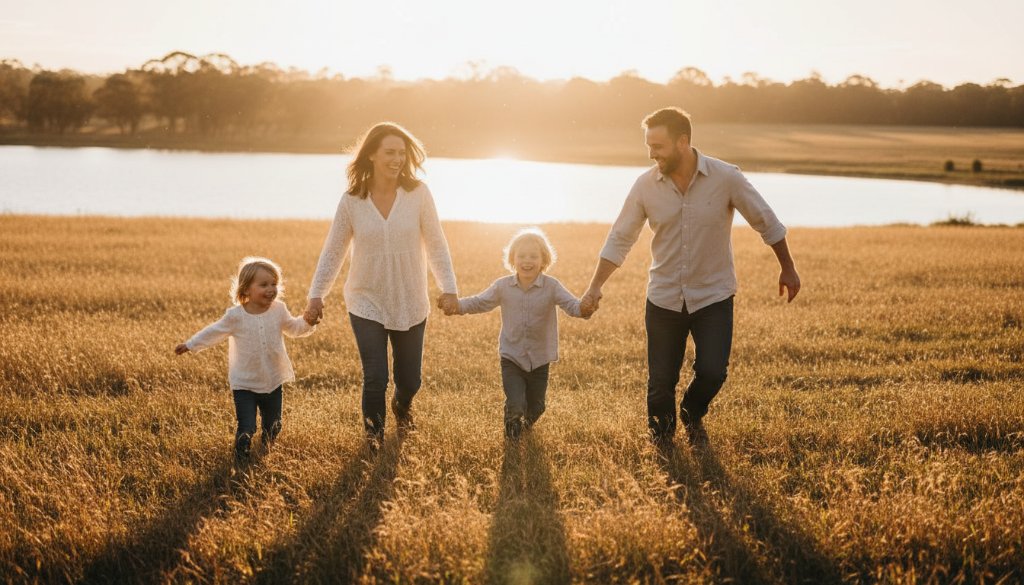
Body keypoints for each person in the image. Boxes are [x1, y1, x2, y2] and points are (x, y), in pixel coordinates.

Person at [580, 107, 801, 445]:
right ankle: (663, 445)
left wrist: (787, 266)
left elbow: (765, 220)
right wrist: (595, 285)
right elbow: (620, 238)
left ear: (682, 142)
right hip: (664, 298)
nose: (652, 154)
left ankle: (692, 413)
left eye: (658, 146)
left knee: (713, 372)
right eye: (648, 146)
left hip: (713, 296)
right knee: (659, 386)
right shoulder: (644, 186)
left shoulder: (726, 177)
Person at [303, 122, 458, 448]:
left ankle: (403, 407)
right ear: (372, 154)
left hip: (410, 299)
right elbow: (334, 250)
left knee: (409, 380)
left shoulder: (418, 195)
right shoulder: (352, 201)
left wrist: (449, 287)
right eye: (390, 152)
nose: (397, 159)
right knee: (375, 376)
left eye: (402, 153)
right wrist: (316, 295)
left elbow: (436, 244)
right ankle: (373, 440)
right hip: (365, 299)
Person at [444, 228, 588, 439]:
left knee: (538, 407)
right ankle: (512, 438)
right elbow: (480, 302)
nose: (527, 261)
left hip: (540, 359)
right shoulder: (503, 286)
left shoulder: (552, 286)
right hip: (511, 357)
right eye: (521, 256)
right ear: (513, 259)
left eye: (533, 256)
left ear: (543, 260)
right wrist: (458, 305)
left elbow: (573, 306)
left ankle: (524, 429)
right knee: (516, 403)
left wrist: (585, 308)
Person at [175, 257, 315, 459]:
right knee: (247, 426)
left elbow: (294, 329)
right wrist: (190, 344)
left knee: (274, 425)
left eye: (274, 284)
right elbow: (214, 332)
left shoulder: (278, 309)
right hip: (244, 384)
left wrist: (308, 321)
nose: (271, 289)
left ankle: (266, 449)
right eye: (264, 284)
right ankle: (241, 457)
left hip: (272, 379)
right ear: (246, 289)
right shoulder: (235, 316)